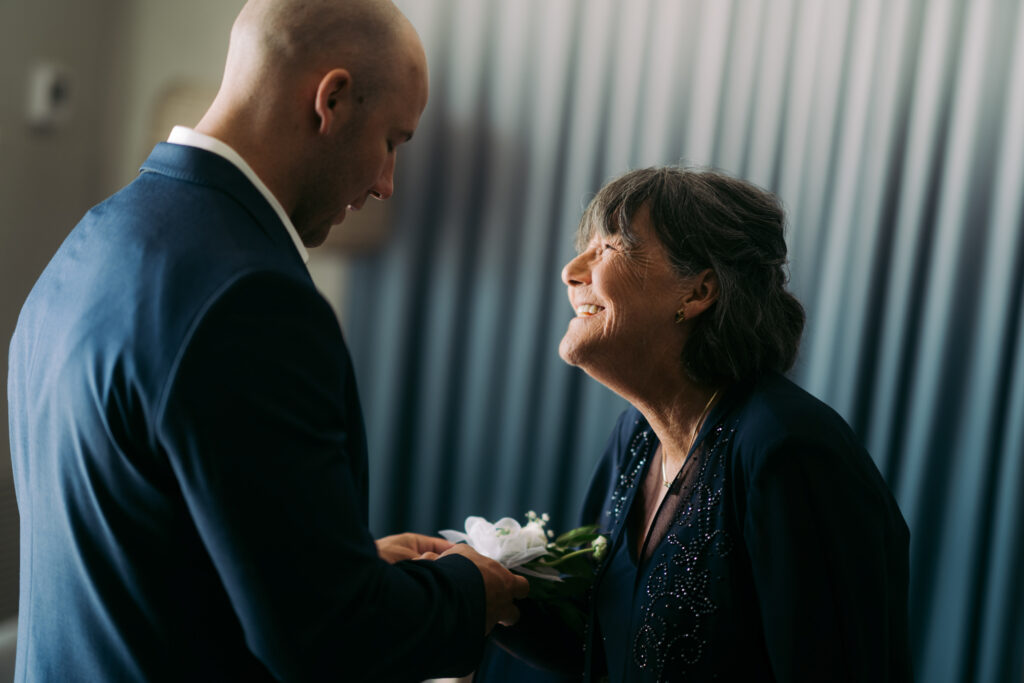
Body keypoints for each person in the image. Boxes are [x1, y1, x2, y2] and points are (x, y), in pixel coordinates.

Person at [7, 1, 528, 680]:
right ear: (331, 99)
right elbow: (328, 643)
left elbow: (148, 549)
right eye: (392, 142)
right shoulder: (252, 299)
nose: (385, 184)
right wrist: (470, 591)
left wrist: (351, 567)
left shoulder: (94, 238)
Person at [476, 167, 911, 682]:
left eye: (609, 247)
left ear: (698, 291)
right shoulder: (635, 441)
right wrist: (488, 593)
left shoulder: (788, 449)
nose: (572, 270)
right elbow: (613, 652)